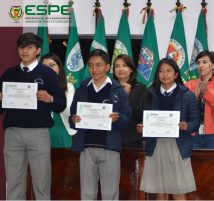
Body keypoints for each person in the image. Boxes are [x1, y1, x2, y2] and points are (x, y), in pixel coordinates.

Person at [0, 32, 66, 200]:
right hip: (13, 133)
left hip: (38, 133)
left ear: (38, 50)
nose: (24, 51)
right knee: (14, 183)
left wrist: (50, 98)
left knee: (41, 183)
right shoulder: (9, 74)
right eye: (21, 47)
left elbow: (61, 104)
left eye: (29, 47)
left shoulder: (48, 74)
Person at [69, 49, 131, 200]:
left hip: (109, 148)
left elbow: (127, 119)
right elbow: (72, 117)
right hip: (86, 148)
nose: (94, 69)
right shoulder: (82, 89)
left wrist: (118, 118)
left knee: (110, 195)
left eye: (98, 65)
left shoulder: (118, 91)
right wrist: (74, 120)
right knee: (87, 194)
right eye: (90, 66)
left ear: (107, 67)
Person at [137, 58, 200, 200]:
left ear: (176, 74)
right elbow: (146, 118)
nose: (164, 74)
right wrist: (141, 126)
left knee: (178, 191)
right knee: (160, 192)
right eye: (161, 71)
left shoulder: (187, 95)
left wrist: (187, 126)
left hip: (178, 146)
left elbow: (195, 121)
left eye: (168, 70)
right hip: (156, 146)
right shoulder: (150, 94)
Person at [185, 50, 214, 149]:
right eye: (198, 63)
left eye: (204, 62)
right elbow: (184, 109)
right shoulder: (189, 84)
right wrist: (194, 98)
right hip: (193, 133)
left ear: (213, 65)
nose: (200, 65)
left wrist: (205, 93)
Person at [41, 53, 76, 148]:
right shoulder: (36, 87)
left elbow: (70, 112)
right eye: (44, 66)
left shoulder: (68, 87)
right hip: (40, 134)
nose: (48, 69)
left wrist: (53, 99)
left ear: (59, 67)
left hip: (62, 133)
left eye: (52, 65)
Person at [113, 54, 147, 148]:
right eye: (117, 66)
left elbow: (140, 115)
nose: (120, 69)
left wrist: (127, 97)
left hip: (131, 139)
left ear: (131, 69)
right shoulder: (108, 87)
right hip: (111, 138)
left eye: (124, 66)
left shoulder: (140, 88)